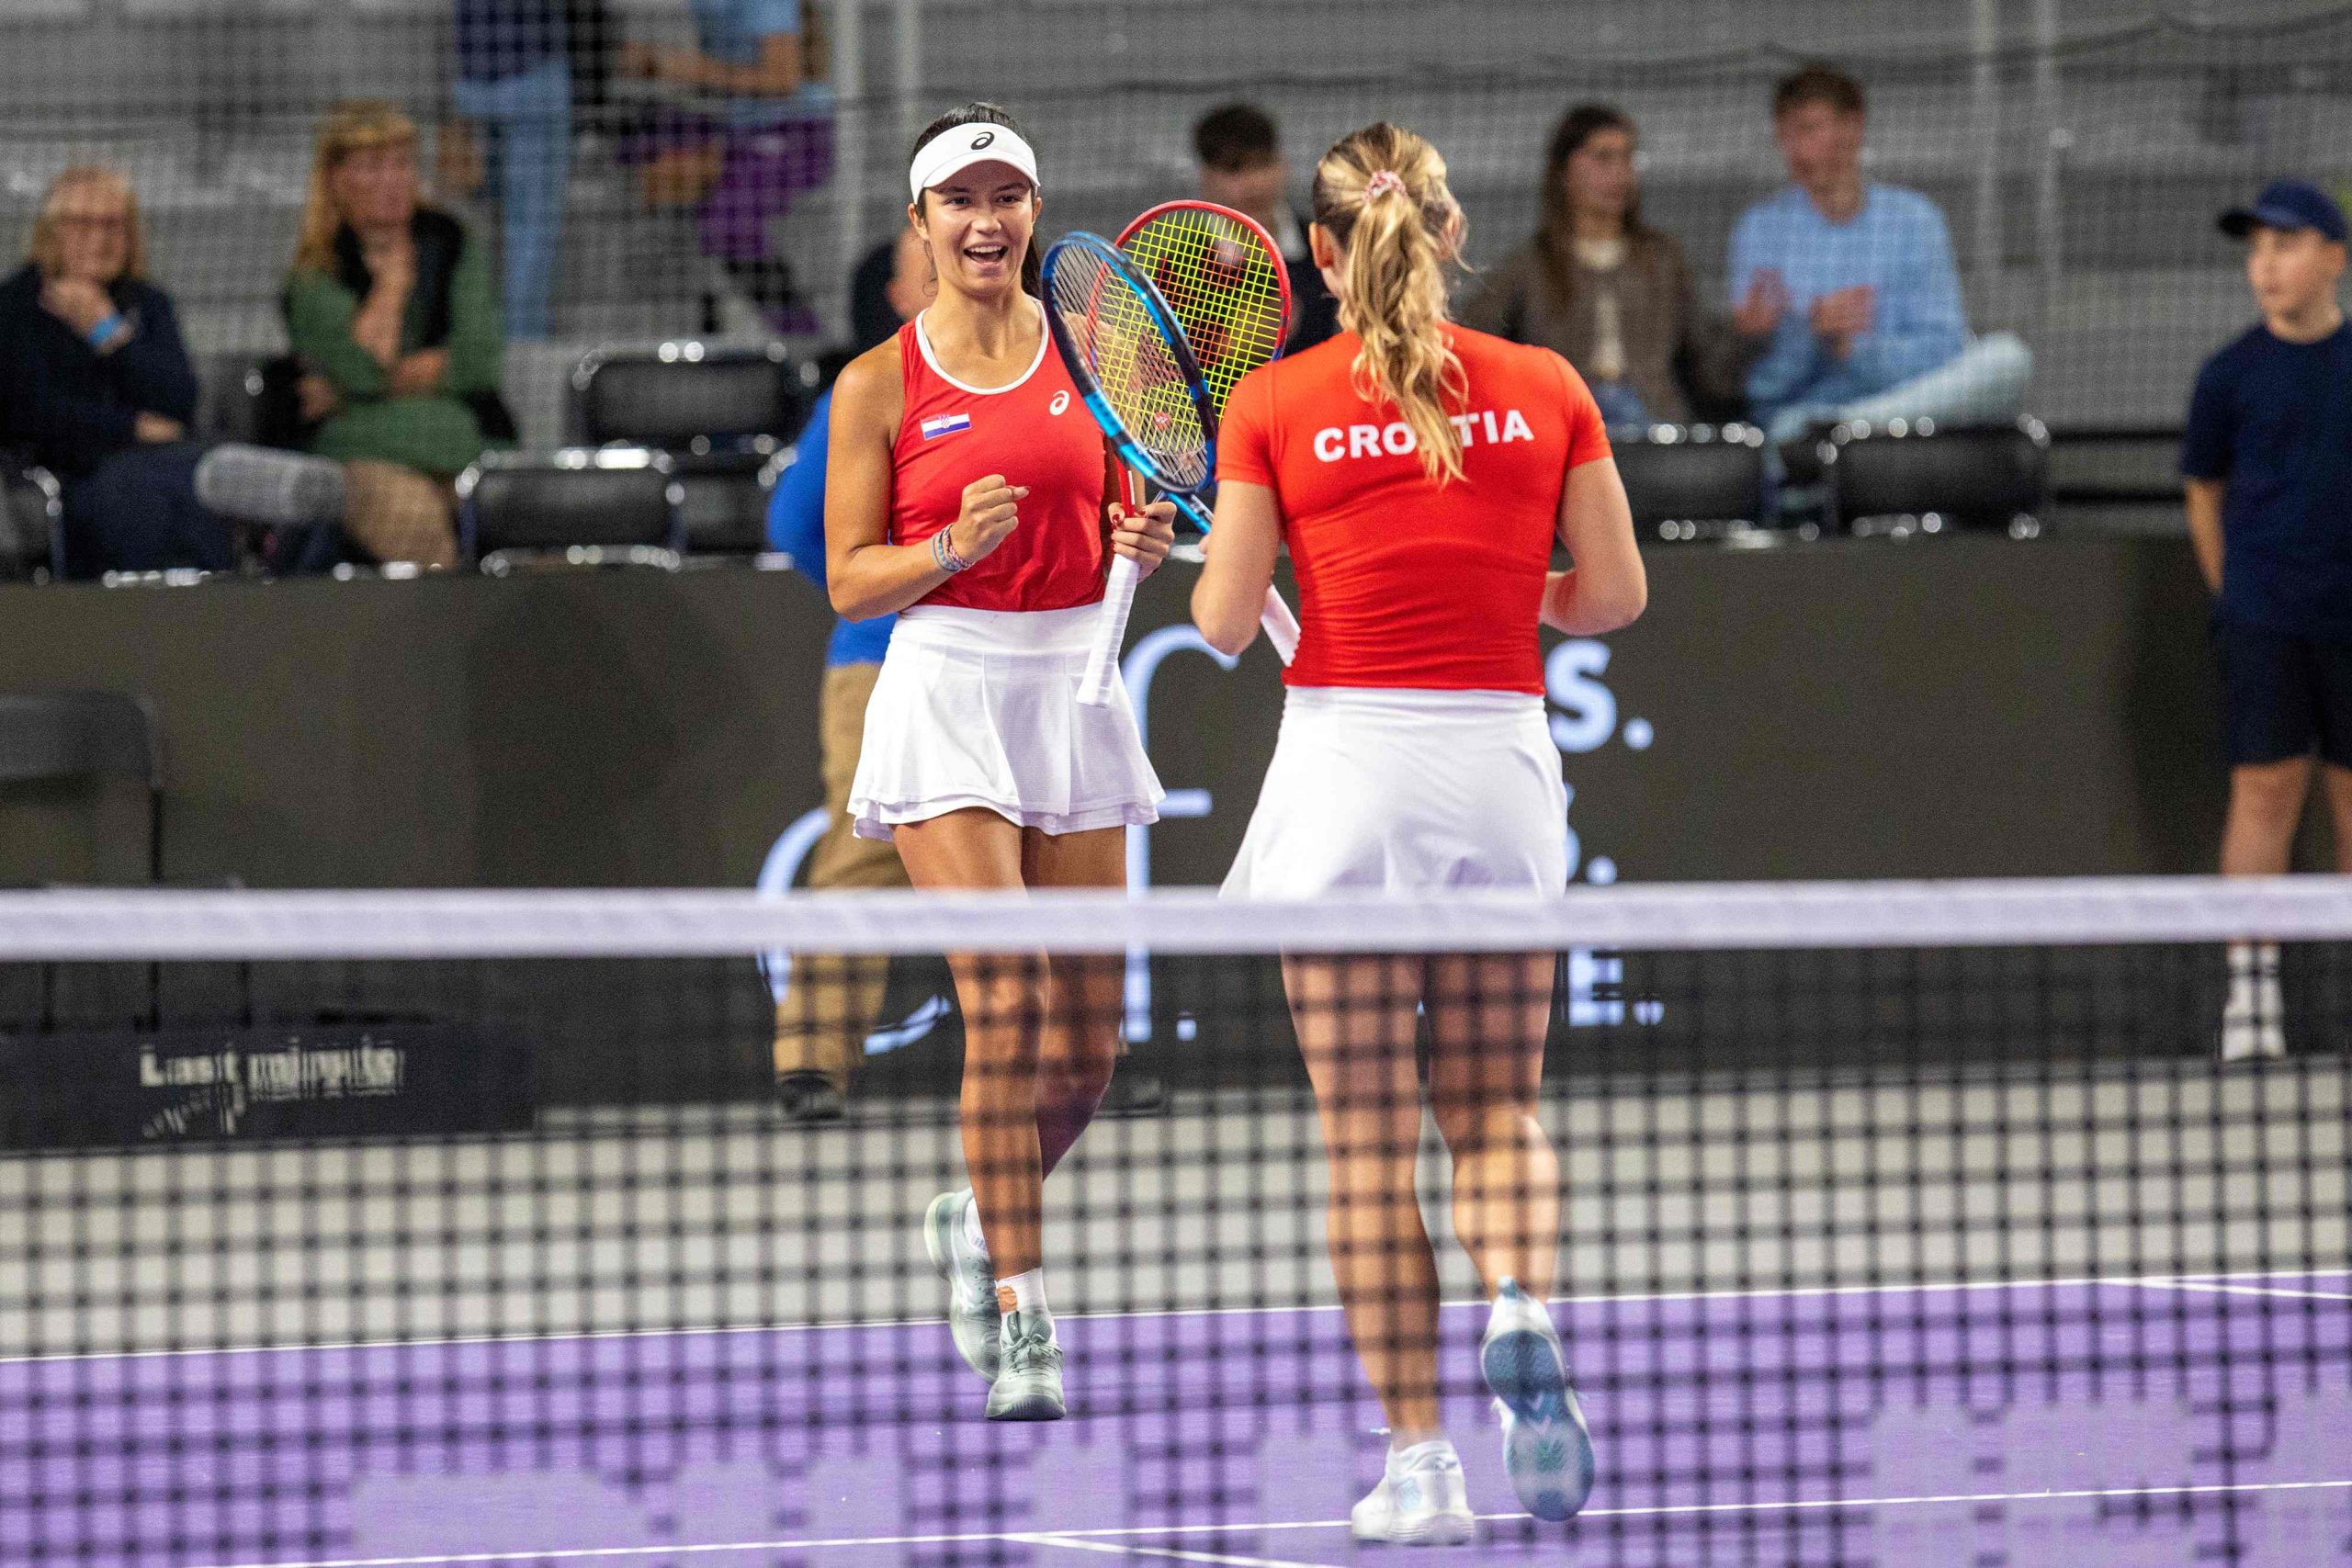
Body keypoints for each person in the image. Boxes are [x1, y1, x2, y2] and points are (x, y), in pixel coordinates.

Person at [1194, 122, 1644, 1540]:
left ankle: (1422, 1463)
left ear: (1319, 251)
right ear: (1450, 231)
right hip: (1499, 766)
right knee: (1496, 1107)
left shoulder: (1273, 400)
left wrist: (1194, 540)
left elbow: (1224, 623)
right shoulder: (1546, 384)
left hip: (1346, 775)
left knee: (1365, 1140)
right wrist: (1510, 589)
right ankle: (1520, 1301)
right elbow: (1613, 595)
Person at [824, 104, 1176, 1421]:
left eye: (1006, 197)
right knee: (1008, 1001)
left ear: (1033, 210)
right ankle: (1027, 1316)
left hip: (1073, 684)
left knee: (1085, 1052)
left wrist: (1140, 544)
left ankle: (976, 1217)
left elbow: (1129, 509)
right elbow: (850, 577)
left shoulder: (1100, 354)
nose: (986, 222)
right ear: (919, 223)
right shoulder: (877, 383)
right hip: (949, 686)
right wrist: (947, 549)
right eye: (960, 201)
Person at [2182, 179, 2352, 1062]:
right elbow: (2203, 490)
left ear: (2333, 256)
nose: (2266, 265)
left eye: (2285, 245)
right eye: (2256, 250)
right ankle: (2250, 1000)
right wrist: (2235, 596)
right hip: (2264, 620)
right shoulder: (2228, 375)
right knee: (2265, 792)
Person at [766, 224, 929, 1124]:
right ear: (898, 297)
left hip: (1016, 657)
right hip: (878, 665)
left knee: (1044, 855)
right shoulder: (869, 386)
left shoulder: (1041, 379)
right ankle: (812, 1064)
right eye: (926, 268)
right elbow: (795, 526)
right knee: (863, 856)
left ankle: (1079, 1052)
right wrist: (878, 589)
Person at [1729, 63, 2032, 445]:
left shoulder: (1915, 219)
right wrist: (1806, 335)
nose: (1795, 149)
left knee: (2007, 358)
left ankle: (1848, 429)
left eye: (1807, 130)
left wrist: (1855, 349)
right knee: (1788, 426)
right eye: (1784, 135)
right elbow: (1762, 391)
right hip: (1805, 412)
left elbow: (1944, 349)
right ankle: (1843, 431)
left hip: (1908, 405)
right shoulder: (1759, 231)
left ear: (1852, 128)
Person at [286, 102, 512, 570]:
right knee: (415, 525)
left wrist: (350, 391)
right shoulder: (313, 278)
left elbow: (478, 361)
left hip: (466, 447)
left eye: (402, 163)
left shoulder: (451, 241)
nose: (392, 179)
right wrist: (393, 283)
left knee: (536, 523)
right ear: (335, 180)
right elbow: (364, 369)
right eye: (372, 166)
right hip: (366, 457)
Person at [1461, 103, 1762, 427]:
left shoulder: (1661, 258)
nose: (1619, 172)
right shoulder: (1532, 263)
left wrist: (1746, 333)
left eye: (1628, 158)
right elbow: (1471, 340)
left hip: (1652, 419)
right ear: (1564, 171)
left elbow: (1711, 368)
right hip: (1568, 418)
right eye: (1603, 157)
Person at [0, 167, 228, 577]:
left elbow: (180, 400)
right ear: (51, 233)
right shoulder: (16, 306)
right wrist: (132, 427)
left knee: (213, 471)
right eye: (82, 224)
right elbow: (32, 411)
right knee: (139, 493)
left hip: (160, 460)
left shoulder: (148, 303)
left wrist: (108, 331)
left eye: (113, 225)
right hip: (69, 474)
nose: (100, 238)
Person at [616, 0, 833, 332]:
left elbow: (782, 80)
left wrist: (686, 68)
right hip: (734, 126)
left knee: (728, 224)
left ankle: (802, 335)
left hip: (793, 130)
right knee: (640, 138)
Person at [441, 0, 573, 340]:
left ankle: (485, 340)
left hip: (475, 81)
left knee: (491, 226)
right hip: (531, 80)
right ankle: (520, 345)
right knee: (530, 230)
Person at [1193, 102, 1340, 353]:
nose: (1254, 183)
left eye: (1262, 164)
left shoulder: (1324, 243)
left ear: (1282, 165)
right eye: (1235, 169)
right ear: (1207, 178)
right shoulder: (1182, 259)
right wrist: (1236, 343)